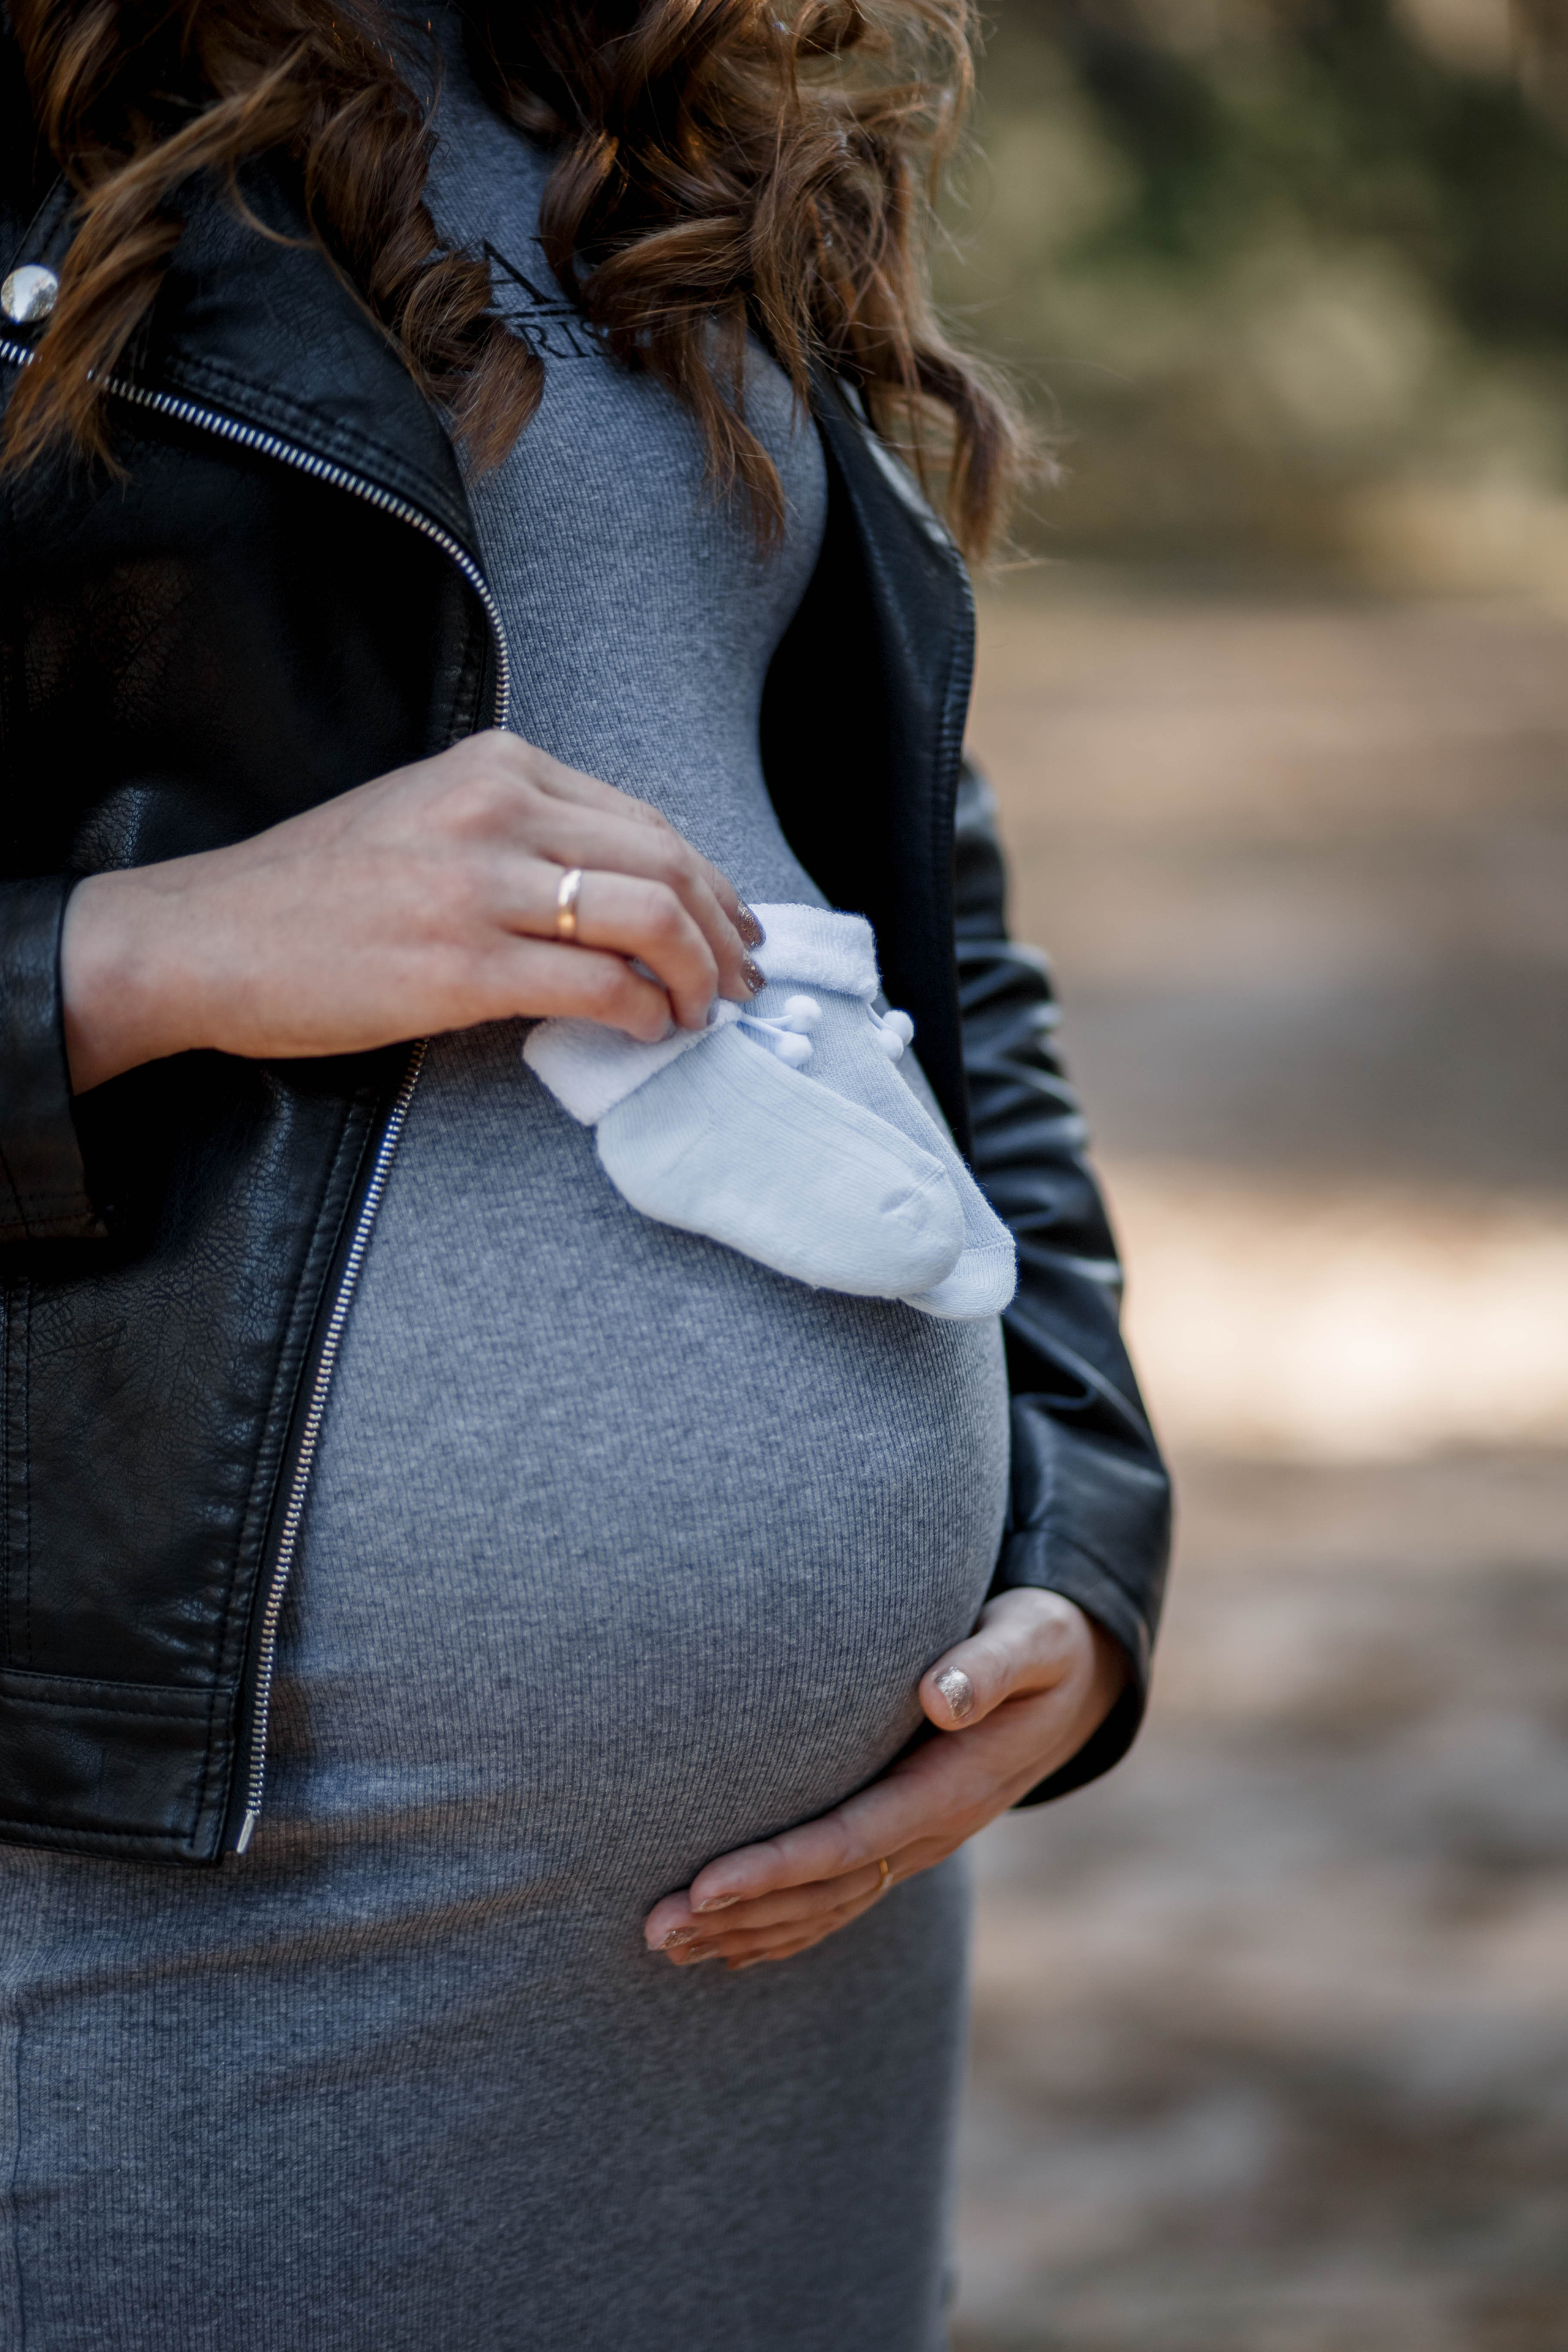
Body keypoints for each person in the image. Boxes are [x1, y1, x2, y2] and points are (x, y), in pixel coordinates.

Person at [0, 0, 1170, 2341]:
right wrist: (142, 951)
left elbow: (919, 911)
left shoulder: (661, 97)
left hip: (799, 1970)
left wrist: (1076, 1521)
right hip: (180, 1905)